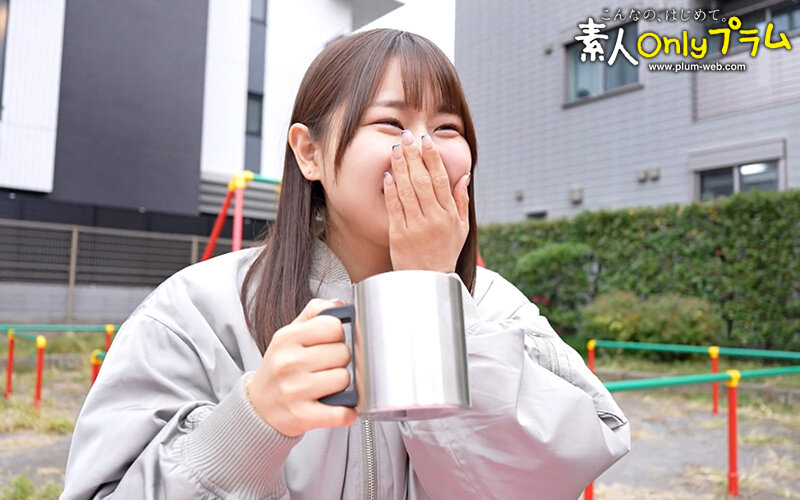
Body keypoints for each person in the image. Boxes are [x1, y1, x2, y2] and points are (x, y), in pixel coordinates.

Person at [62, 29, 629, 500]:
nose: (424, 149)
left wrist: (438, 300)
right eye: (390, 124)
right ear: (308, 152)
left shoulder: (496, 307)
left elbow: (554, 470)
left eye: (447, 128)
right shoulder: (198, 310)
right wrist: (252, 423)